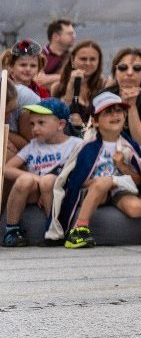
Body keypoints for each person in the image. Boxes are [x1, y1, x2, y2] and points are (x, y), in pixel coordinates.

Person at [49, 92, 141, 249]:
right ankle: (79, 230)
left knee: (137, 209)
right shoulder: (86, 147)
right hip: (92, 191)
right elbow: (76, 180)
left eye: (119, 110)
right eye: (108, 112)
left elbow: (137, 180)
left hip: (120, 190)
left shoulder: (129, 146)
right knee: (103, 182)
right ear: (95, 121)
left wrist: (122, 167)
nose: (115, 115)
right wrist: (104, 182)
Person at [3, 99, 77, 245]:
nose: (34, 128)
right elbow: (6, 168)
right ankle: (11, 230)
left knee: (48, 180)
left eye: (41, 123)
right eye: (32, 124)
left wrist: (45, 185)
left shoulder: (76, 144)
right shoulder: (33, 146)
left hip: (60, 190)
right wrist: (35, 178)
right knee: (25, 180)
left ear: (60, 125)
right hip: (36, 191)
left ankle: (54, 229)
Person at [99, 46, 141, 156]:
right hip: (110, 147)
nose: (129, 72)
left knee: (130, 153)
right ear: (115, 71)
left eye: (137, 68)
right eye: (123, 67)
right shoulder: (105, 95)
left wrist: (131, 105)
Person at [49, 39, 103, 126]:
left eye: (93, 59)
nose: (88, 63)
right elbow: (59, 117)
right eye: (83, 59)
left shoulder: (104, 86)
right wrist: (71, 86)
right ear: (72, 60)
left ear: (99, 62)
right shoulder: (57, 87)